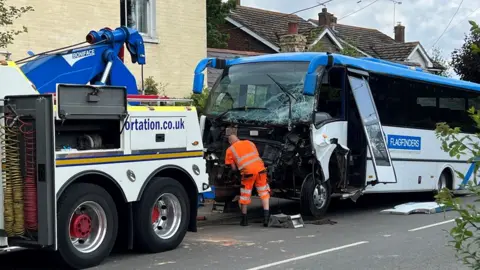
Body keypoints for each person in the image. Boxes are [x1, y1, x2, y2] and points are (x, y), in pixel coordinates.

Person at [225, 134, 270, 227]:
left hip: (248, 173)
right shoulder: (250, 142)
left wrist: (236, 172)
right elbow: (256, 156)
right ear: (238, 138)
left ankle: (244, 220)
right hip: (261, 169)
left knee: (245, 195)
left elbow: (233, 168)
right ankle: (266, 218)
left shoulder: (230, 150)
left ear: (230, 142)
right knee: (264, 193)